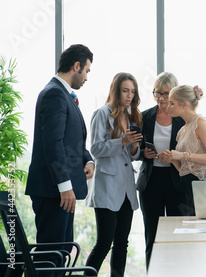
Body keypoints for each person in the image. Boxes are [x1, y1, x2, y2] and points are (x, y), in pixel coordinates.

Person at [25, 44, 95, 272]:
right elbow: (52, 144)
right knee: (50, 257)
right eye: (86, 71)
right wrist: (64, 186)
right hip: (54, 191)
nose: (86, 78)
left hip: (63, 192)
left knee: (61, 253)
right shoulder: (54, 93)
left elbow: (71, 141)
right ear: (76, 66)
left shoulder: (63, 94)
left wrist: (89, 159)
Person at [85, 72, 143, 276]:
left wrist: (135, 146)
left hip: (126, 188)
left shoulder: (130, 116)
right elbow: (96, 149)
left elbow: (132, 156)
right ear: (116, 90)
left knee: (121, 244)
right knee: (103, 243)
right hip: (107, 187)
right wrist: (123, 141)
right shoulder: (101, 113)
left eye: (132, 91)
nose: (129, 95)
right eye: (125, 90)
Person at [136, 72, 185, 269]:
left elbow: (190, 149)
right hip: (151, 181)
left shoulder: (182, 119)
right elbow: (134, 148)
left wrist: (174, 156)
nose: (161, 99)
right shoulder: (144, 117)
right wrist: (143, 154)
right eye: (158, 93)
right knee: (152, 236)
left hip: (176, 181)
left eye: (166, 94)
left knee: (176, 235)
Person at [162, 85, 206, 216]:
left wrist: (182, 155)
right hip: (189, 186)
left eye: (172, 103)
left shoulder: (201, 123)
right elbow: (186, 168)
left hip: (205, 188)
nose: (168, 106)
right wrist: (173, 159)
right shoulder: (183, 130)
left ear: (185, 104)